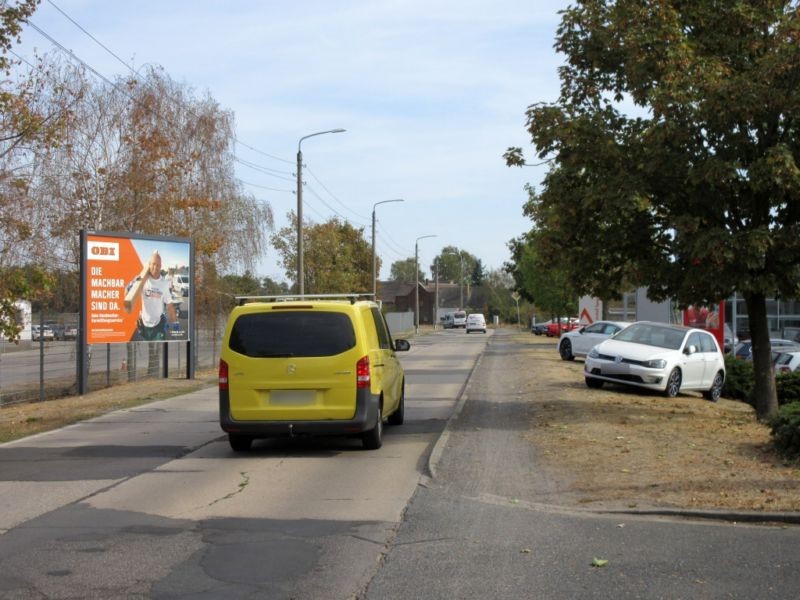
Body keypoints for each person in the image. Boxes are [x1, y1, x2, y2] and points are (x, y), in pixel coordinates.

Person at [124, 250, 178, 341]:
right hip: (144, 325)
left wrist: (176, 324)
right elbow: (126, 294)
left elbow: (169, 305)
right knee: (147, 351)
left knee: (160, 350)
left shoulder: (164, 284)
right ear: (149, 265)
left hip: (159, 324)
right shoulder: (142, 280)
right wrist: (134, 282)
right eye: (153, 264)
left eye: (157, 265)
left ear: (160, 266)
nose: (155, 267)